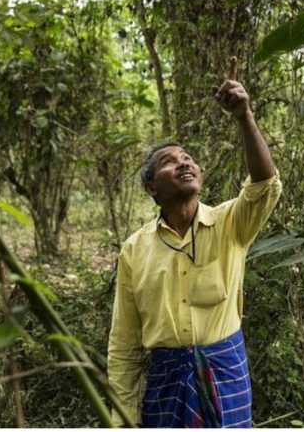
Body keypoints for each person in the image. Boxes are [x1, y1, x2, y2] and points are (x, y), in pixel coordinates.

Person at [107, 65, 281, 427]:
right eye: (168, 162)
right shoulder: (135, 250)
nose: (183, 162)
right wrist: (120, 417)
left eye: (187, 158)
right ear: (152, 188)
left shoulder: (229, 223)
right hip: (165, 380)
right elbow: (125, 343)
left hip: (225, 371)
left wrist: (244, 115)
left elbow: (265, 184)